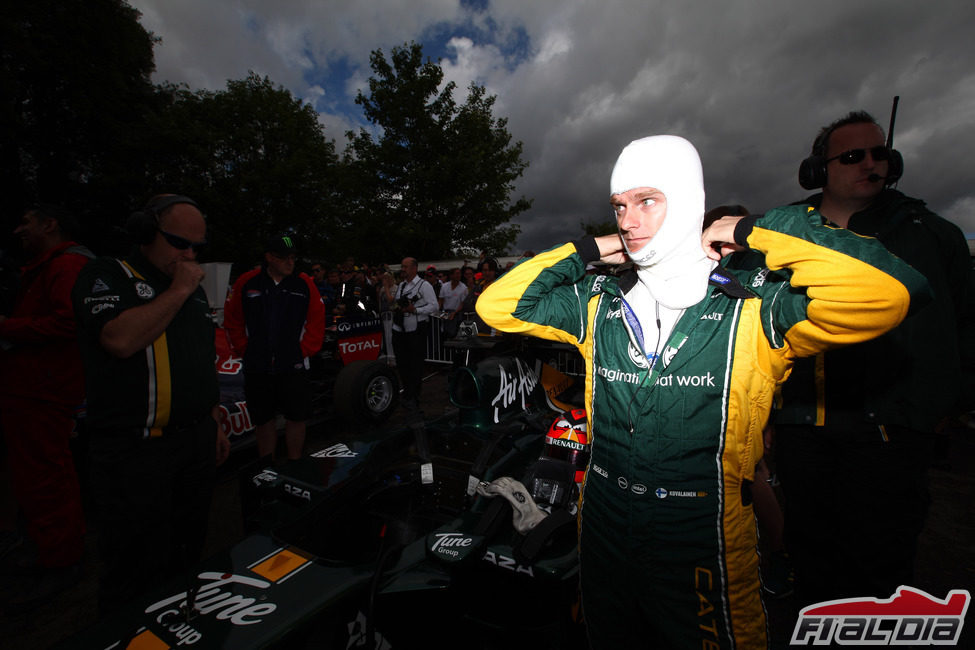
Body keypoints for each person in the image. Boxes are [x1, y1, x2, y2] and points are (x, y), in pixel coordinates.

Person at [475, 135, 928, 649]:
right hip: (602, 522)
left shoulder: (756, 304)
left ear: (688, 199)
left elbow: (890, 292)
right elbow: (499, 306)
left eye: (647, 201)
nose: (628, 219)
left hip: (701, 529)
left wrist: (751, 231)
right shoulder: (599, 299)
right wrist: (593, 248)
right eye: (619, 206)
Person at [773, 111, 975, 608]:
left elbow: (966, 326)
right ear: (818, 170)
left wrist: (944, 402)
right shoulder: (785, 231)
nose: (871, 163)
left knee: (880, 565)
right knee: (812, 557)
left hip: (892, 430)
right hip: (805, 425)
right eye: (853, 155)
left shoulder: (931, 234)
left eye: (880, 153)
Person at [71, 194, 230, 616]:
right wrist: (178, 290)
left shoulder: (192, 291)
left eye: (198, 247)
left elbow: (201, 361)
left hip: (193, 442)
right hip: (136, 452)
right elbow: (120, 340)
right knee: (135, 568)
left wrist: (212, 420)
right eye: (180, 243)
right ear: (145, 233)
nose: (189, 255)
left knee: (186, 554)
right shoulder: (107, 274)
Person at [0, 205, 92, 607]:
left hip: (45, 391)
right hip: (29, 390)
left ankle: (62, 561)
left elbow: (70, 322)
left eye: (27, 221)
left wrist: (5, 327)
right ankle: (41, 549)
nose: (19, 229)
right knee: (33, 477)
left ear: (51, 224)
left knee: (47, 477)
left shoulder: (67, 265)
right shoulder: (45, 266)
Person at [223, 234, 324, 460]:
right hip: (258, 366)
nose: (290, 262)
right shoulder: (247, 282)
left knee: (296, 417)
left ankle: (294, 462)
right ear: (269, 257)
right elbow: (233, 320)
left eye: (293, 257)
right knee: (263, 419)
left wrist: (302, 351)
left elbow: (317, 321)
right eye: (284, 257)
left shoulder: (304, 283)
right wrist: (244, 350)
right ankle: (266, 467)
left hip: (293, 365)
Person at [391, 256, 438, 410]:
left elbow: (434, 306)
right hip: (399, 329)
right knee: (402, 364)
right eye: (402, 266)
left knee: (415, 365)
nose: (403, 269)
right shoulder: (402, 286)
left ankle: (414, 397)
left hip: (415, 330)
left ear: (414, 268)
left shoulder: (424, 285)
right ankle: (407, 394)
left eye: (405, 267)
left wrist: (416, 310)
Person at [438, 267, 469, 339]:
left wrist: (454, 313)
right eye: (457, 274)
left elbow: (462, 304)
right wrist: (437, 311)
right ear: (451, 275)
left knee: (454, 334)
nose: (459, 275)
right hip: (445, 313)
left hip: (457, 313)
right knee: (444, 333)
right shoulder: (444, 286)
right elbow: (440, 300)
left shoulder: (464, 288)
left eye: (459, 273)